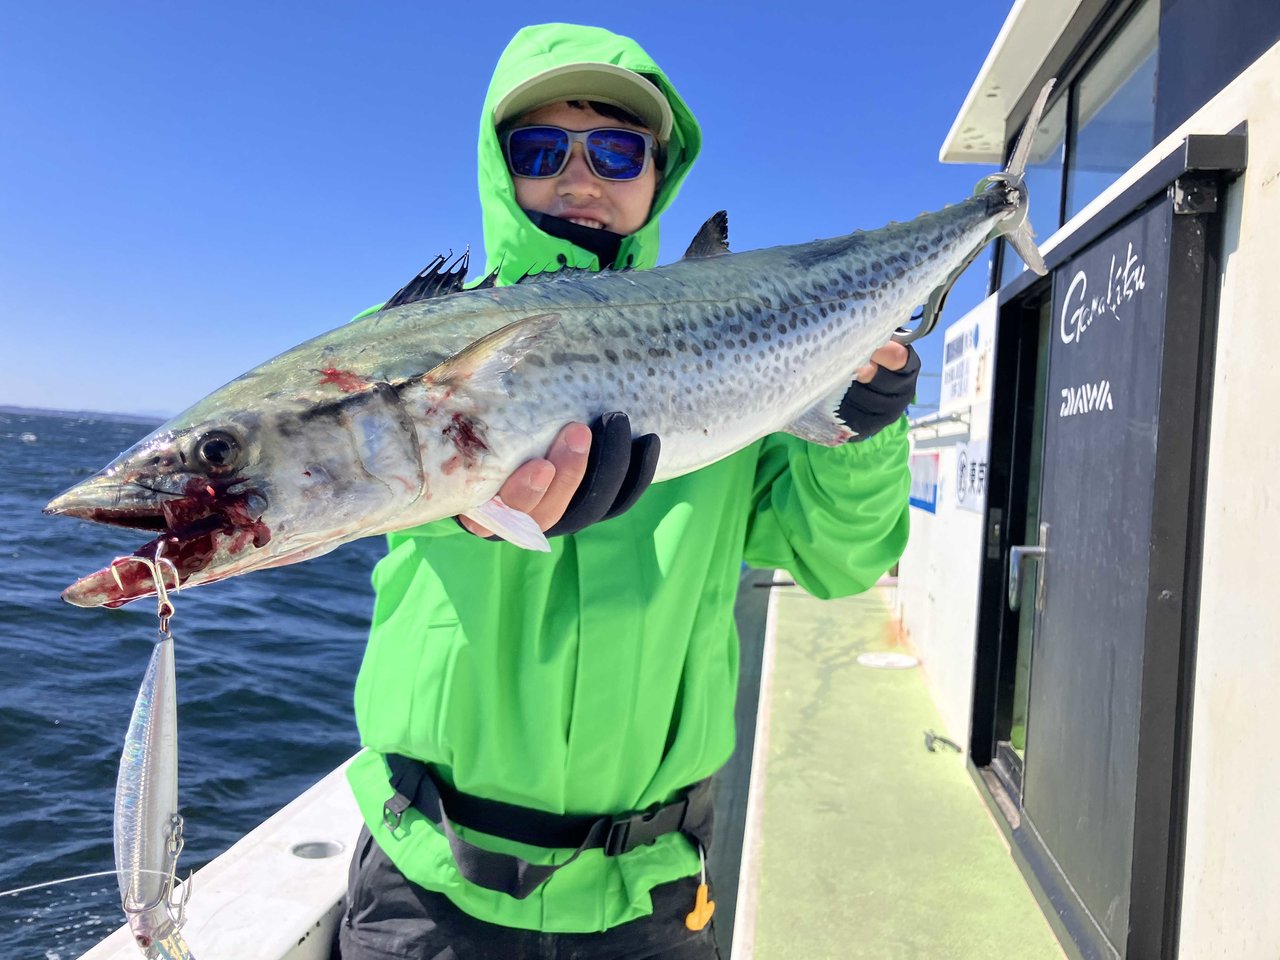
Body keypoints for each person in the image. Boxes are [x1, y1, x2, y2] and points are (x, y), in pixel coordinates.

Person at [338, 22, 919, 960]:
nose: (580, 179)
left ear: (658, 174)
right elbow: (354, 480)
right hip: (427, 881)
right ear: (499, 167)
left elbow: (839, 560)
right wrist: (469, 510)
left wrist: (863, 432)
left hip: (649, 899)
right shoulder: (413, 343)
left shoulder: (737, 357)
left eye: (615, 151)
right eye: (540, 150)